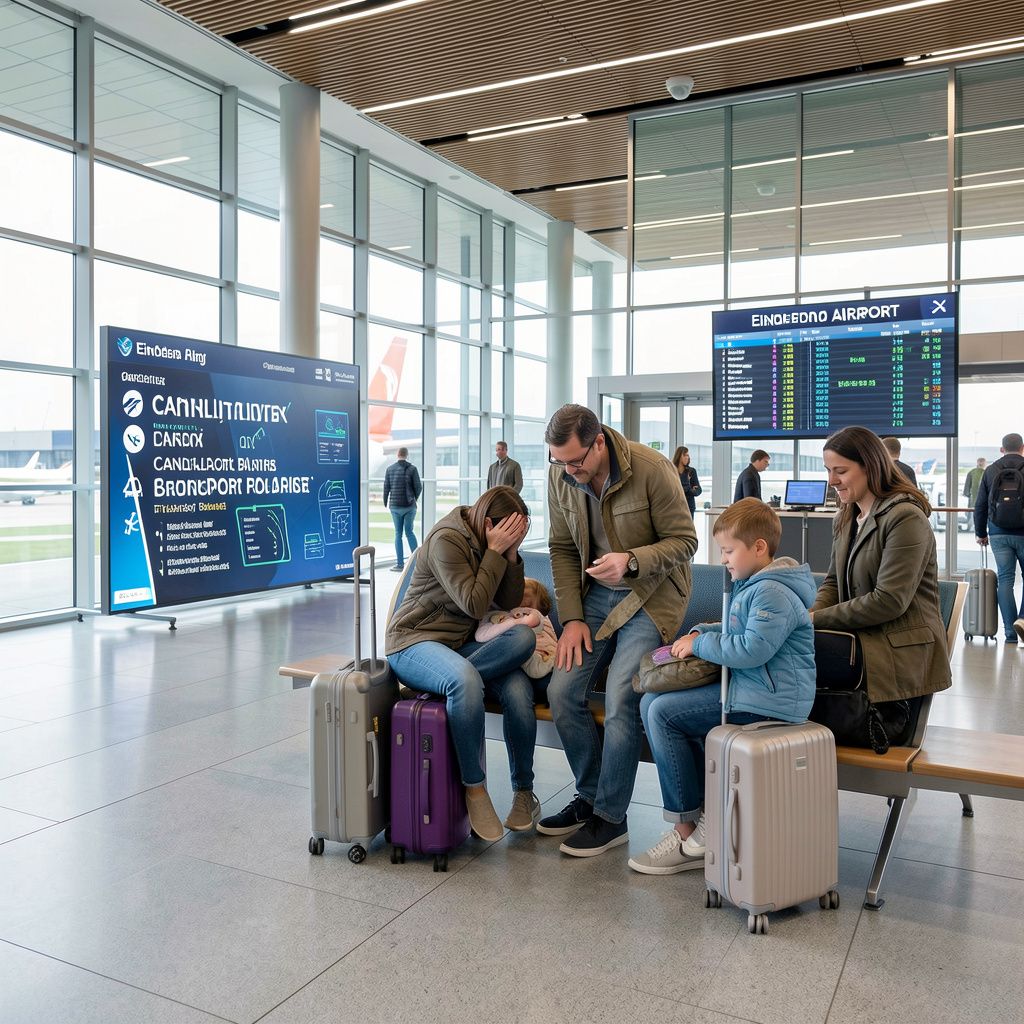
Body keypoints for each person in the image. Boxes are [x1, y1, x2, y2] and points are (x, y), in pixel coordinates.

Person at [539, 404, 698, 857]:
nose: (567, 471)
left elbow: (686, 541)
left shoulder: (652, 469)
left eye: (575, 461)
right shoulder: (560, 474)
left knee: (622, 696)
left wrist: (630, 561)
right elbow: (561, 547)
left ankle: (610, 818)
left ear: (599, 443)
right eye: (557, 461)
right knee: (561, 691)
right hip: (594, 596)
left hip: (652, 593)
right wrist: (571, 618)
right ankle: (590, 797)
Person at [628, 499, 816, 874]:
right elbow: (735, 630)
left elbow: (751, 649)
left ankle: (689, 829)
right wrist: (701, 632)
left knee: (662, 713)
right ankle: (698, 818)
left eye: (729, 551)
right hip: (752, 691)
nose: (724, 559)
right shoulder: (756, 585)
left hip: (769, 701)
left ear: (758, 547)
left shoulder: (772, 592)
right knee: (651, 703)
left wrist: (699, 645)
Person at [385, 486, 544, 840]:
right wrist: (495, 552)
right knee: (464, 680)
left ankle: (524, 792)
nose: (511, 539)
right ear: (488, 525)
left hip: (459, 647)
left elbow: (508, 601)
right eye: (509, 533)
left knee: (520, 662)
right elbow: (474, 603)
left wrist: (511, 555)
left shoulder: (493, 543)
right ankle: (475, 788)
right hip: (414, 642)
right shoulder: (447, 539)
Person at [810, 426, 951, 706]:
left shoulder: (905, 517)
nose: (832, 481)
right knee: (779, 643)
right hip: (861, 638)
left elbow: (888, 601)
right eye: (828, 471)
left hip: (894, 651)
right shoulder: (846, 517)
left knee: (783, 649)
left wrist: (812, 621)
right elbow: (833, 583)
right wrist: (810, 615)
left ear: (870, 466)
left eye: (840, 471)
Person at [974, 434, 1024, 643]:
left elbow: (980, 505)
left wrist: (981, 533)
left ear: (1002, 449)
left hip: (998, 532)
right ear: (1022, 448)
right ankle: (1022, 620)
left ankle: (1010, 634)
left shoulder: (991, 470)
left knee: (1005, 579)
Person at [475, 578, 557, 678]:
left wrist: (536, 618)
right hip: (503, 655)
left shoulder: (538, 618)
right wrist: (516, 622)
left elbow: (546, 632)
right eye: (516, 600)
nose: (519, 607)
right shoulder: (496, 616)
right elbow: (481, 636)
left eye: (527, 606)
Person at [382, 447, 422, 572]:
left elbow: (386, 487)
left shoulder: (390, 469)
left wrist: (385, 501)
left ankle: (400, 565)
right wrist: (413, 498)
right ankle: (417, 564)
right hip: (409, 506)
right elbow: (419, 487)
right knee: (409, 532)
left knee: (398, 534)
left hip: (395, 506)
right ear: (407, 455)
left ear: (397, 455)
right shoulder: (413, 469)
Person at [672, 445, 702, 517]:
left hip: (689, 507)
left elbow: (698, 490)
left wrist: (689, 490)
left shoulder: (691, 471)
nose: (687, 457)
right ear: (679, 456)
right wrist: (689, 487)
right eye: (685, 455)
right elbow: (672, 490)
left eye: (688, 455)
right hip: (675, 507)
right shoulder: (671, 470)